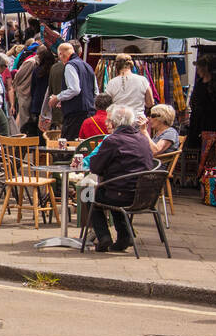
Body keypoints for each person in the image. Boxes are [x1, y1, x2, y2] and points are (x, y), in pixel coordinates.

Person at [86, 104, 158, 252]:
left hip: (121, 195)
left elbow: (95, 168)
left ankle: (104, 236)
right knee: (114, 191)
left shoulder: (113, 140)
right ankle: (125, 237)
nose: (107, 123)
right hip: (143, 196)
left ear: (114, 122)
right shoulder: (143, 139)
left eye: (109, 120)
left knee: (89, 195)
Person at [48, 42, 96, 141]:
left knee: (69, 145)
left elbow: (75, 89)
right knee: (83, 144)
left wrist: (57, 98)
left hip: (75, 115)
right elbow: (95, 91)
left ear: (61, 54)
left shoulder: (70, 65)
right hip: (90, 112)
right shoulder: (87, 66)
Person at [105, 54, 154, 121]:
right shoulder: (142, 80)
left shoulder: (111, 83)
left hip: (119, 120)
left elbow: (107, 104)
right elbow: (150, 103)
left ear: (116, 65)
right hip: (138, 119)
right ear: (131, 65)